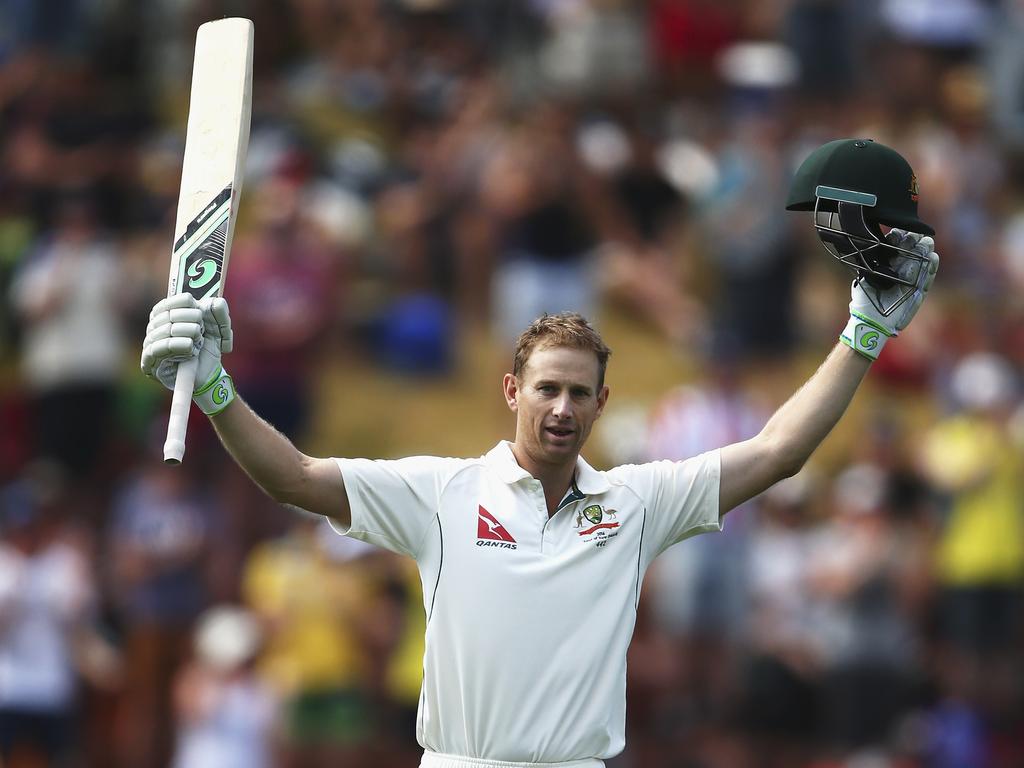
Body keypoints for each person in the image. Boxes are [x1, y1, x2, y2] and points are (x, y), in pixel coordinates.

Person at [140, 138, 939, 768]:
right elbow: (295, 478)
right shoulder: (440, 492)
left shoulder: (635, 505)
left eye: (579, 393)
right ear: (511, 391)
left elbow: (780, 449)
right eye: (547, 388)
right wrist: (214, 388)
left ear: (601, 404)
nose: (562, 407)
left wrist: (861, 335)